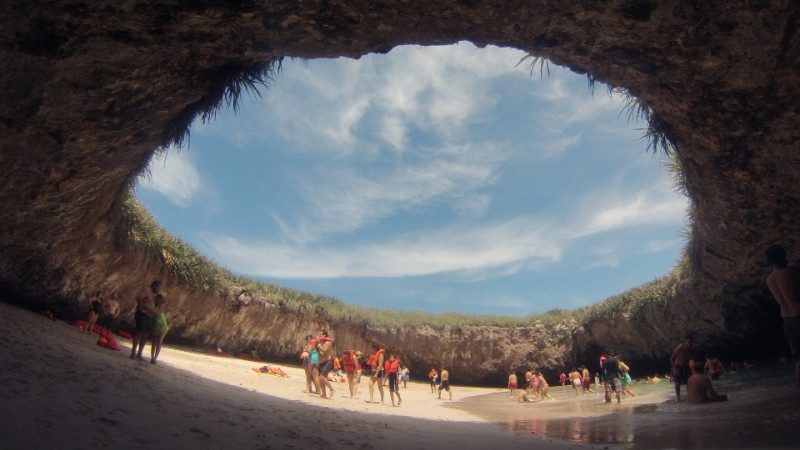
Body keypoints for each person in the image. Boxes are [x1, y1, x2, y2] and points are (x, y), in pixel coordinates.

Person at [765, 245, 800, 389]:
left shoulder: (769, 279)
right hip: (799, 314)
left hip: (786, 321)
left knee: (798, 359)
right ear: (781, 256)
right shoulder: (790, 271)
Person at [130, 281, 160, 360]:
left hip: (148, 317)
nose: (159, 290)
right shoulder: (147, 290)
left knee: (145, 335)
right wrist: (141, 308)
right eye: (158, 288)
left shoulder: (153, 294)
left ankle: (139, 354)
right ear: (154, 286)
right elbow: (139, 297)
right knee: (139, 333)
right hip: (142, 315)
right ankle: (133, 353)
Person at [670, 335, 694, 401]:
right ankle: (678, 397)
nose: (690, 344)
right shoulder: (680, 347)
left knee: (688, 382)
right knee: (677, 382)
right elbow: (672, 358)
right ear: (685, 342)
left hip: (686, 367)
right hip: (678, 366)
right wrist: (674, 369)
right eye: (688, 342)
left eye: (691, 342)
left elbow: (691, 359)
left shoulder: (691, 349)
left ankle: (690, 397)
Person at [149, 293, 169, 364]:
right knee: (154, 342)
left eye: (158, 299)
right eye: (156, 299)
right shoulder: (154, 305)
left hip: (162, 325)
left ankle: (155, 358)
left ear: (160, 300)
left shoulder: (162, 306)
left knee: (159, 342)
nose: (157, 300)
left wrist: (147, 309)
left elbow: (156, 313)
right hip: (155, 325)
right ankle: (152, 357)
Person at [315, 329, 335, 399]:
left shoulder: (327, 342)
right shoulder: (320, 342)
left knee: (321, 377)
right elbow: (320, 353)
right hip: (321, 362)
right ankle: (324, 394)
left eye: (320, 334)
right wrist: (317, 345)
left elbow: (324, 350)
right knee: (320, 379)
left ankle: (332, 390)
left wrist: (319, 346)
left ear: (324, 335)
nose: (319, 335)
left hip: (327, 362)